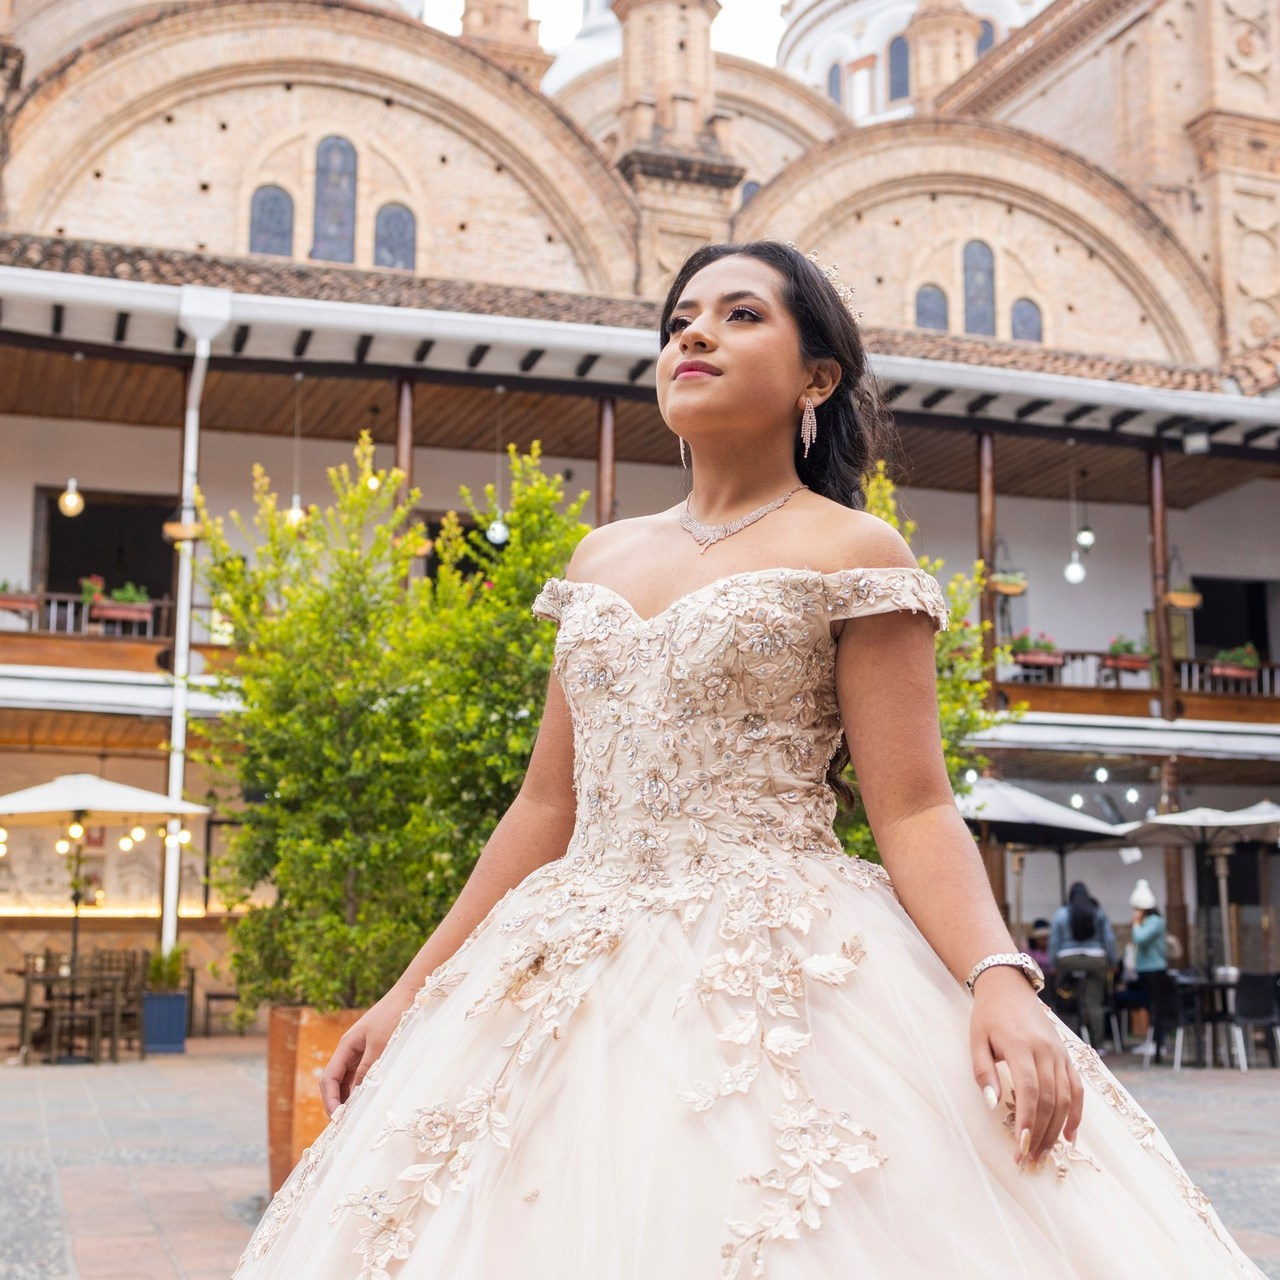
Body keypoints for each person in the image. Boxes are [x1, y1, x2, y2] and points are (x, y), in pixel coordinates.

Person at [232, 242, 1263, 1278]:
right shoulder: (598, 556)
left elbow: (910, 807)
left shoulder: (854, 551)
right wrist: (410, 990)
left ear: (816, 376)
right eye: (681, 317)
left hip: (779, 961)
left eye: (738, 314)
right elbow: (544, 804)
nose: (693, 333)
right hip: (566, 962)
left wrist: (999, 979)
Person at [1049, 881, 1117, 1053]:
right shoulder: (1098, 912)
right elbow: (1108, 939)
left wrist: (1053, 964)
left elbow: (1054, 941)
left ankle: (1068, 1041)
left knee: (1067, 998)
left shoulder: (1061, 913)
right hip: (1095, 959)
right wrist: (1112, 960)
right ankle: (1099, 1045)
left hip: (1068, 959)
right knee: (1094, 1003)